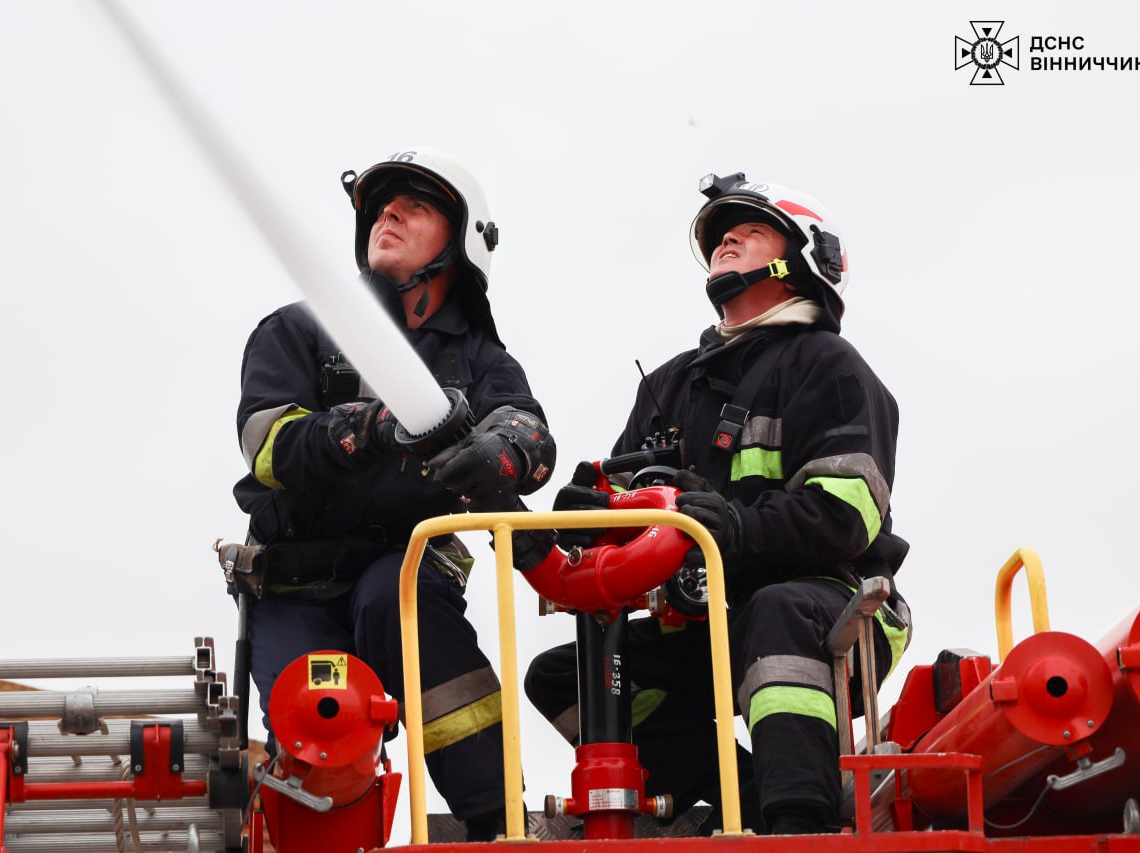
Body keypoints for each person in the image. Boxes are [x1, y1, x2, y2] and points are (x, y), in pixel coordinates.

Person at [524, 173, 911, 835]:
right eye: (721, 235)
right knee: (562, 674)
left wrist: (734, 527)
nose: (725, 239)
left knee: (776, 611)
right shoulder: (671, 384)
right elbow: (621, 520)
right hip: (706, 621)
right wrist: (585, 520)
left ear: (805, 261)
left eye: (750, 230)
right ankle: (743, 800)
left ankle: (800, 825)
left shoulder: (829, 366)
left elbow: (848, 514)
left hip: (831, 604)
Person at [232, 148, 555, 841]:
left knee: (397, 599)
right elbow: (267, 445)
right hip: (296, 584)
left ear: (462, 242)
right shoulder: (296, 331)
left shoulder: (480, 360)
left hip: (405, 571)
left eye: (416, 204)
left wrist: (498, 453)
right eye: (382, 205)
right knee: (321, 712)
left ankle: (499, 823)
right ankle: (323, 832)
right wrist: (371, 428)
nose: (389, 214)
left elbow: (528, 434)